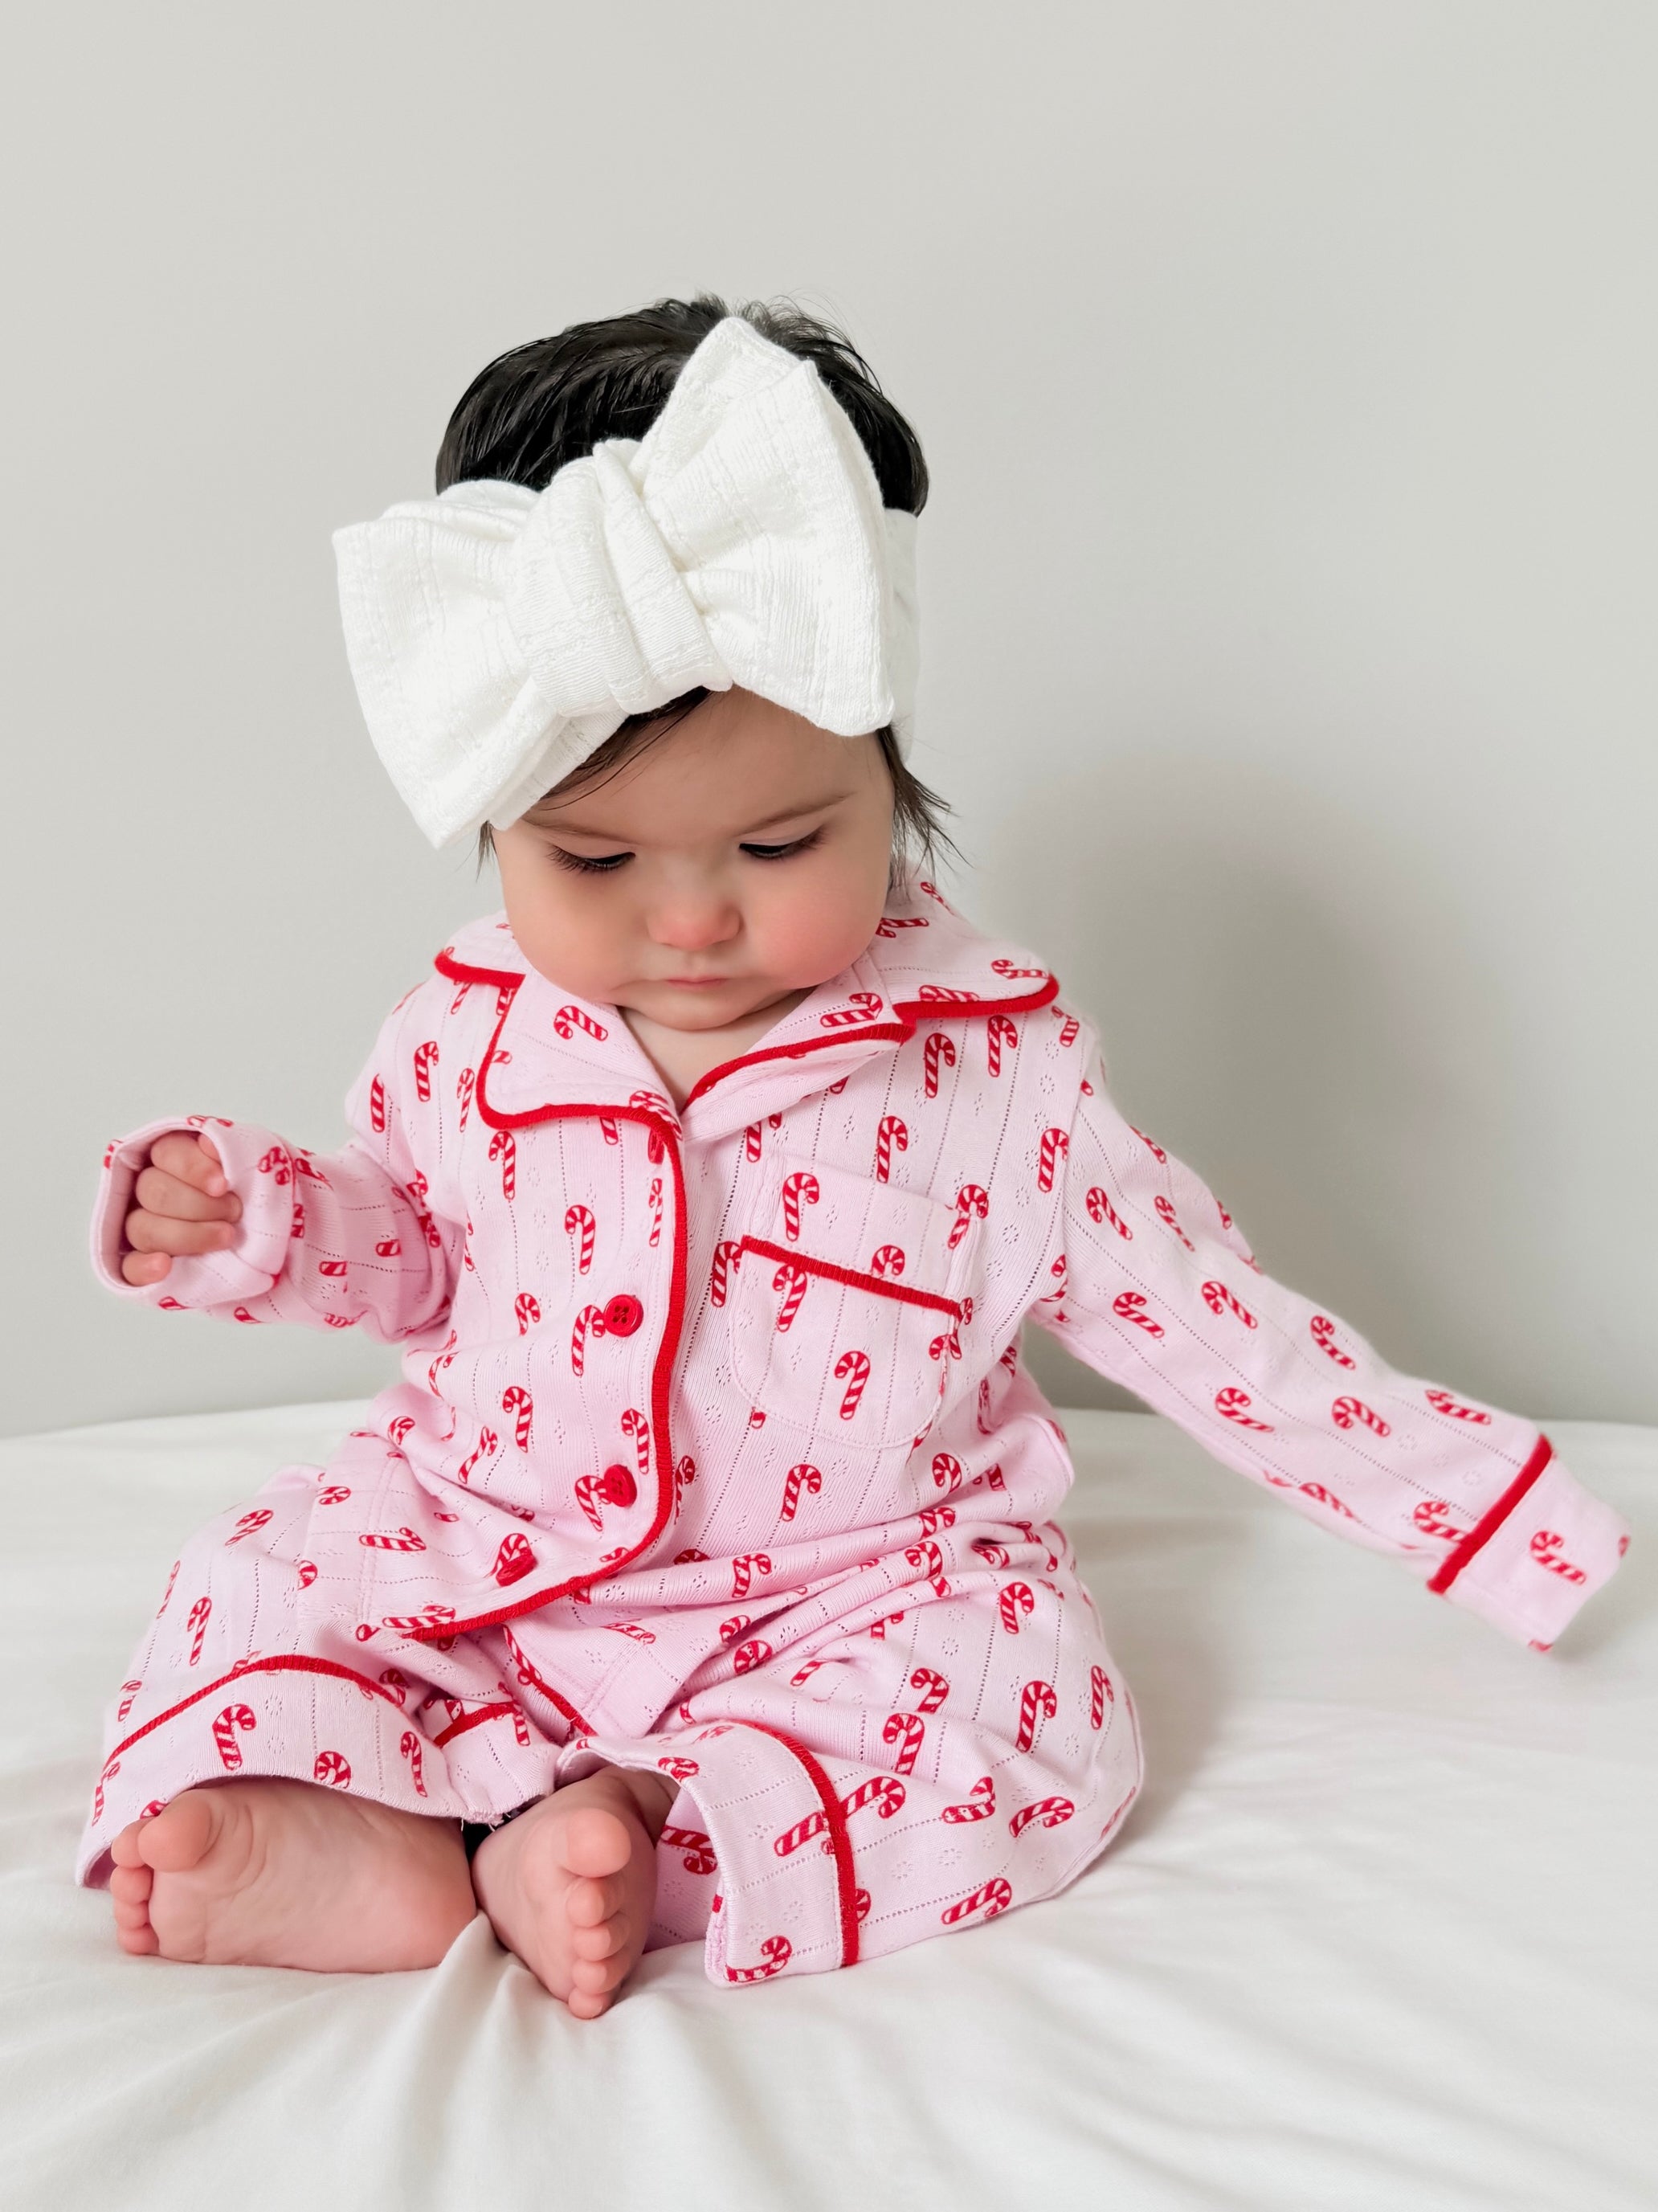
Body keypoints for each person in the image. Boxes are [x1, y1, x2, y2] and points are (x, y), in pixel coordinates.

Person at [83, 296, 1630, 2017]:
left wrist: (1497, 1515)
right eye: (591, 862)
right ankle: (386, 1841)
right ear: (496, 824)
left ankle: (651, 1832)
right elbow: (420, 1254)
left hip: (854, 1595)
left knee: (1030, 1707)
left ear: (884, 779)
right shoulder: (468, 1025)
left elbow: (1224, 1336)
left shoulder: (997, 1069)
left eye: (774, 840)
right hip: (498, 1554)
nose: (688, 918)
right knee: (260, 1569)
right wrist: (260, 1218)